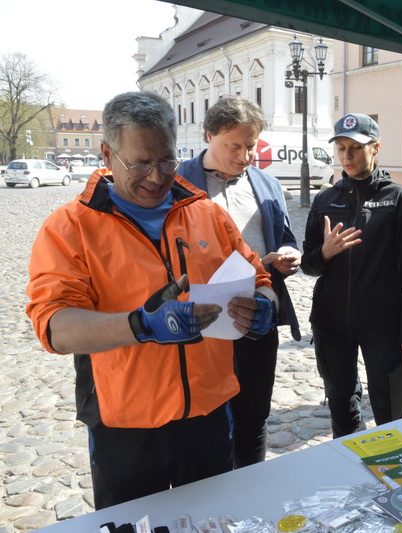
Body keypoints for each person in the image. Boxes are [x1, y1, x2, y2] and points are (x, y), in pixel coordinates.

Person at [26, 91, 278, 509]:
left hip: (209, 415)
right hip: (126, 426)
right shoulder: (70, 228)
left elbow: (259, 277)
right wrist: (140, 326)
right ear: (107, 153)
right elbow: (56, 327)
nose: (157, 176)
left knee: (212, 519)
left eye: (167, 160)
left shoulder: (208, 215)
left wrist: (264, 308)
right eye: (140, 163)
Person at [179, 95, 301, 468]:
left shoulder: (266, 183)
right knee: (206, 419)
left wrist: (287, 253)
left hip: (258, 315)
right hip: (204, 324)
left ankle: (251, 482)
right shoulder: (178, 183)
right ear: (209, 135)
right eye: (235, 145)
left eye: (251, 146)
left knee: (254, 415)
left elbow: (284, 234)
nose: (245, 155)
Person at [301, 113, 402, 437]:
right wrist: (324, 254)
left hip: (382, 324)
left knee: (391, 409)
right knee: (342, 405)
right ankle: (352, 471)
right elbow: (308, 264)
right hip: (332, 323)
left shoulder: (398, 199)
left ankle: (399, 476)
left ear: (376, 148)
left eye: (355, 148)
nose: (347, 156)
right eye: (341, 148)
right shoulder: (325, 200)